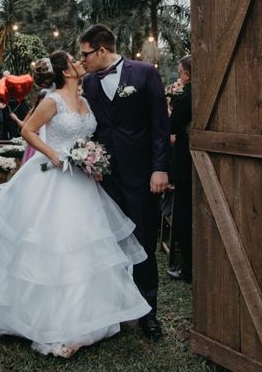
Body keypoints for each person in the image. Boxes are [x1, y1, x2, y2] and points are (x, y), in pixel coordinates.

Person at [0, 51, 150, 358]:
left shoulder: (85, 100)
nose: (80, 62)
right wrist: (54, 155)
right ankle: (46, 318)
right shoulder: (52, 100)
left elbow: (87, 134)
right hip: (52, 177)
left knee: (84, 244)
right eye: (75, 60)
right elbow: (28, 131)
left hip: (82, 181)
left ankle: (88, 316)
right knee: (54, 242)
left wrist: (91, 157)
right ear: (66, 71)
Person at [79, 24, 170, 341]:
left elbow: (160, 125)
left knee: (143, 242)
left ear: (102, 50)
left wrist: (160, 168)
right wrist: (91, 159)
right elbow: (93, 127)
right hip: (105, 176)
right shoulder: (89, 83)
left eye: (86, 54)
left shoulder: (144, 73)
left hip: (142, 174)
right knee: (108, 244)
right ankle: (113, 310)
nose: (83, 60)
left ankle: (148, 313)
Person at [166, 55, 193, 282]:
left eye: (180, 73)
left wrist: (171, 104)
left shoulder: (187, 98)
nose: (179, 77)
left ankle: (188, 269)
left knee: (184, 217)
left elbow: (171, 127)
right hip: (198, 164)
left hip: (186, 164)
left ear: (188, 75)